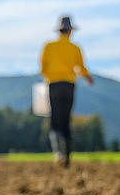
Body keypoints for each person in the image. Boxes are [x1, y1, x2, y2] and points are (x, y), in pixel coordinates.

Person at [40, 15, 93, 168]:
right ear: (70, 31)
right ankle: (67, 157)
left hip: (54, 85)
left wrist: (50, 76)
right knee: (66, 120)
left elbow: (43, 69)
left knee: (55, 120)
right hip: (69, 86)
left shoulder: (49, 46)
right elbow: (81, 69)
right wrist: (88, 78)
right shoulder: (75, 48)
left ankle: (58, 153)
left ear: (59, 30)